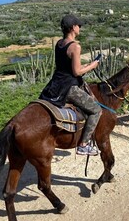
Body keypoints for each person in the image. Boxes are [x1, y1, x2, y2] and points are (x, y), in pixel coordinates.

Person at [39, 14, 102, 156]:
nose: (80, 28)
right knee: (96, 110)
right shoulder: (75, 46)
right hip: (68, 87)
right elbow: (77, 72)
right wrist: (92, 65)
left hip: (54, 84)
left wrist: (83, 66)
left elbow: (66, 67)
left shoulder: (59, 43)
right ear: (73, 27)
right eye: (78, 25)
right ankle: (84, 145)